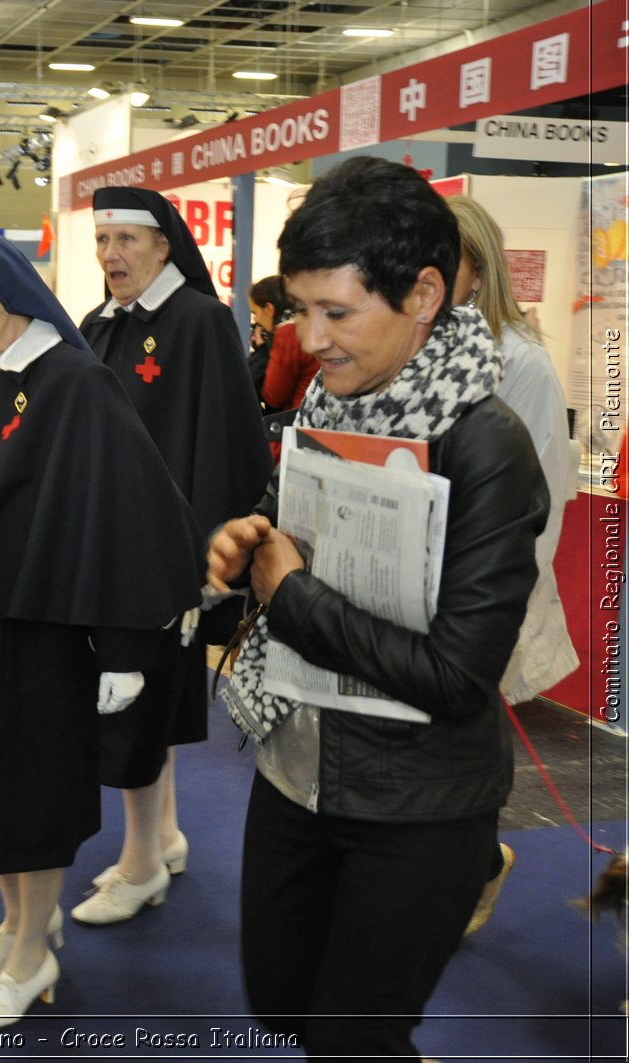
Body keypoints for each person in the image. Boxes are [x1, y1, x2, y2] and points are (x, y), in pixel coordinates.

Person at [207, 156, 548, 1058]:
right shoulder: (330, 400)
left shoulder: (486, 448)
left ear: (425, 295)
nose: (308, 339)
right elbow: (300, 544)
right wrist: (252, 547)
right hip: (297, 768)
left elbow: (456, 675)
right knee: (280, 1001)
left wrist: (290, 594)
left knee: (350, 1034)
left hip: (418, 802)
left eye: (336, 312)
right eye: (299, 309)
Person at [0, 234, 202, 1028]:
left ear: (6, 299)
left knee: (30, 798)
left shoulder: (75, 384)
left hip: (46, 633)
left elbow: (137, 513)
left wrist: (127, 646)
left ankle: (32, 958)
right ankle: (25, 922)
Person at [75, 187, 271, 927]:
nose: (112, 255)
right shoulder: (100, 324)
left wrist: (207, 561)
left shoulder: (199, 320)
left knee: (139, 706)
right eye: (104, 241)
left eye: (127, 239)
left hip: (165, 557)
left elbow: (222, 440)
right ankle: (162, 834)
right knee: (137, 700)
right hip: (112, 547)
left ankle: (141, 863)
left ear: (165, 246)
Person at [447, 194, 579, 934]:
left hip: (485, 595)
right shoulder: (427, 349)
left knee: (470, 749)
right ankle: (467, 863)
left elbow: (543, 500)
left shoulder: (521, 361)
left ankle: (479, 866)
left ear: (477, 266)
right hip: (429, 593)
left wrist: (498, 602)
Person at [246, 274, 287, 397]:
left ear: (269, 309)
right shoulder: (297, 327)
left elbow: (273, 396)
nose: (256, 320)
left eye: (255, 312)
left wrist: (262, 350)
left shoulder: (286, 334)